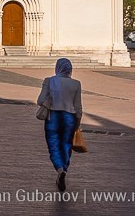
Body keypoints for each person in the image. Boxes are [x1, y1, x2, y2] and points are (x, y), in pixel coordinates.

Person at [37, 58, 83, 192]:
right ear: (70, 69)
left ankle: (59, 169)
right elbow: (78, 106)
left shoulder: (49, 81)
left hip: (53, 117)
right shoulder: (76, 84)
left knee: (53, 145)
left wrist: (51, 97)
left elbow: (40, 101)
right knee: (66, 145)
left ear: (57, 68)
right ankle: (65, 169)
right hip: (69, 118)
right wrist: (78, 121)